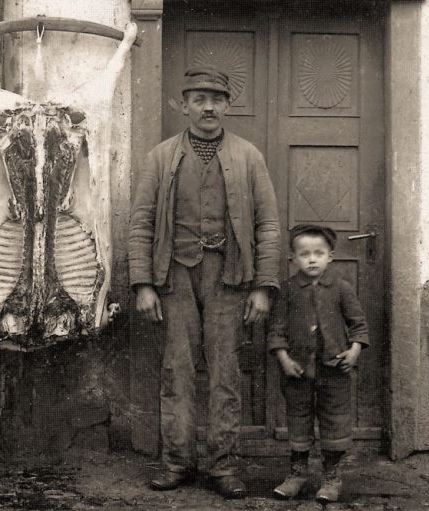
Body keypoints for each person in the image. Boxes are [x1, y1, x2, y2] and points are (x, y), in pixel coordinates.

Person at [128, 66, 280, 499]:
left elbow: (268, 223)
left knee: (225, 373)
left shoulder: (249, 156)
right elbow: (140, 222)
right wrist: (143, 283)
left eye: (216, 99)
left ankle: (222, 466)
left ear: (228, 105)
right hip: (174, 275)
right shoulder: (161, 157)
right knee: (177, 369)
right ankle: (176, 462)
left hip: (229, 276)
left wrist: (262, 285)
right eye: (198, 99)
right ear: (184, 105)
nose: (208, 107)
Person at [267, 224, 369, 503]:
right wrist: (283, 358)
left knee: (335, 420)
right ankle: (297, 474)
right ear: (294, 258)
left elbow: (358, 323)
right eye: (304, 254)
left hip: (334, 369)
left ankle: (331, 477)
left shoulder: (341, 288)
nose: (311, 259)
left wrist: (354, 350)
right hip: (297, 370)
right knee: (298, 419)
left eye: (318, 253)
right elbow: (276, 328)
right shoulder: (287, 290)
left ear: (330, 256)